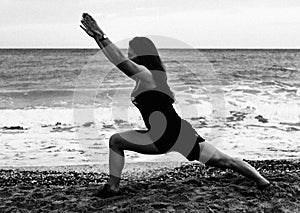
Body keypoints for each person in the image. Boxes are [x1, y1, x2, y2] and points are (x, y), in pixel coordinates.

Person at [80, 13, 270, 198]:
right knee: (224, 160)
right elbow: (118, 59)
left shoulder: (147, 75)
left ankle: (113, 187)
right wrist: (98, 38)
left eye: (131, 49)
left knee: (115, 141)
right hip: (181, 133)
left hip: (162, 136)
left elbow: (119, 61)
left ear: (141, 52)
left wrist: (101, 35)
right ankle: (261, 181)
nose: (128, 53)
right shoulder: (154, 75)